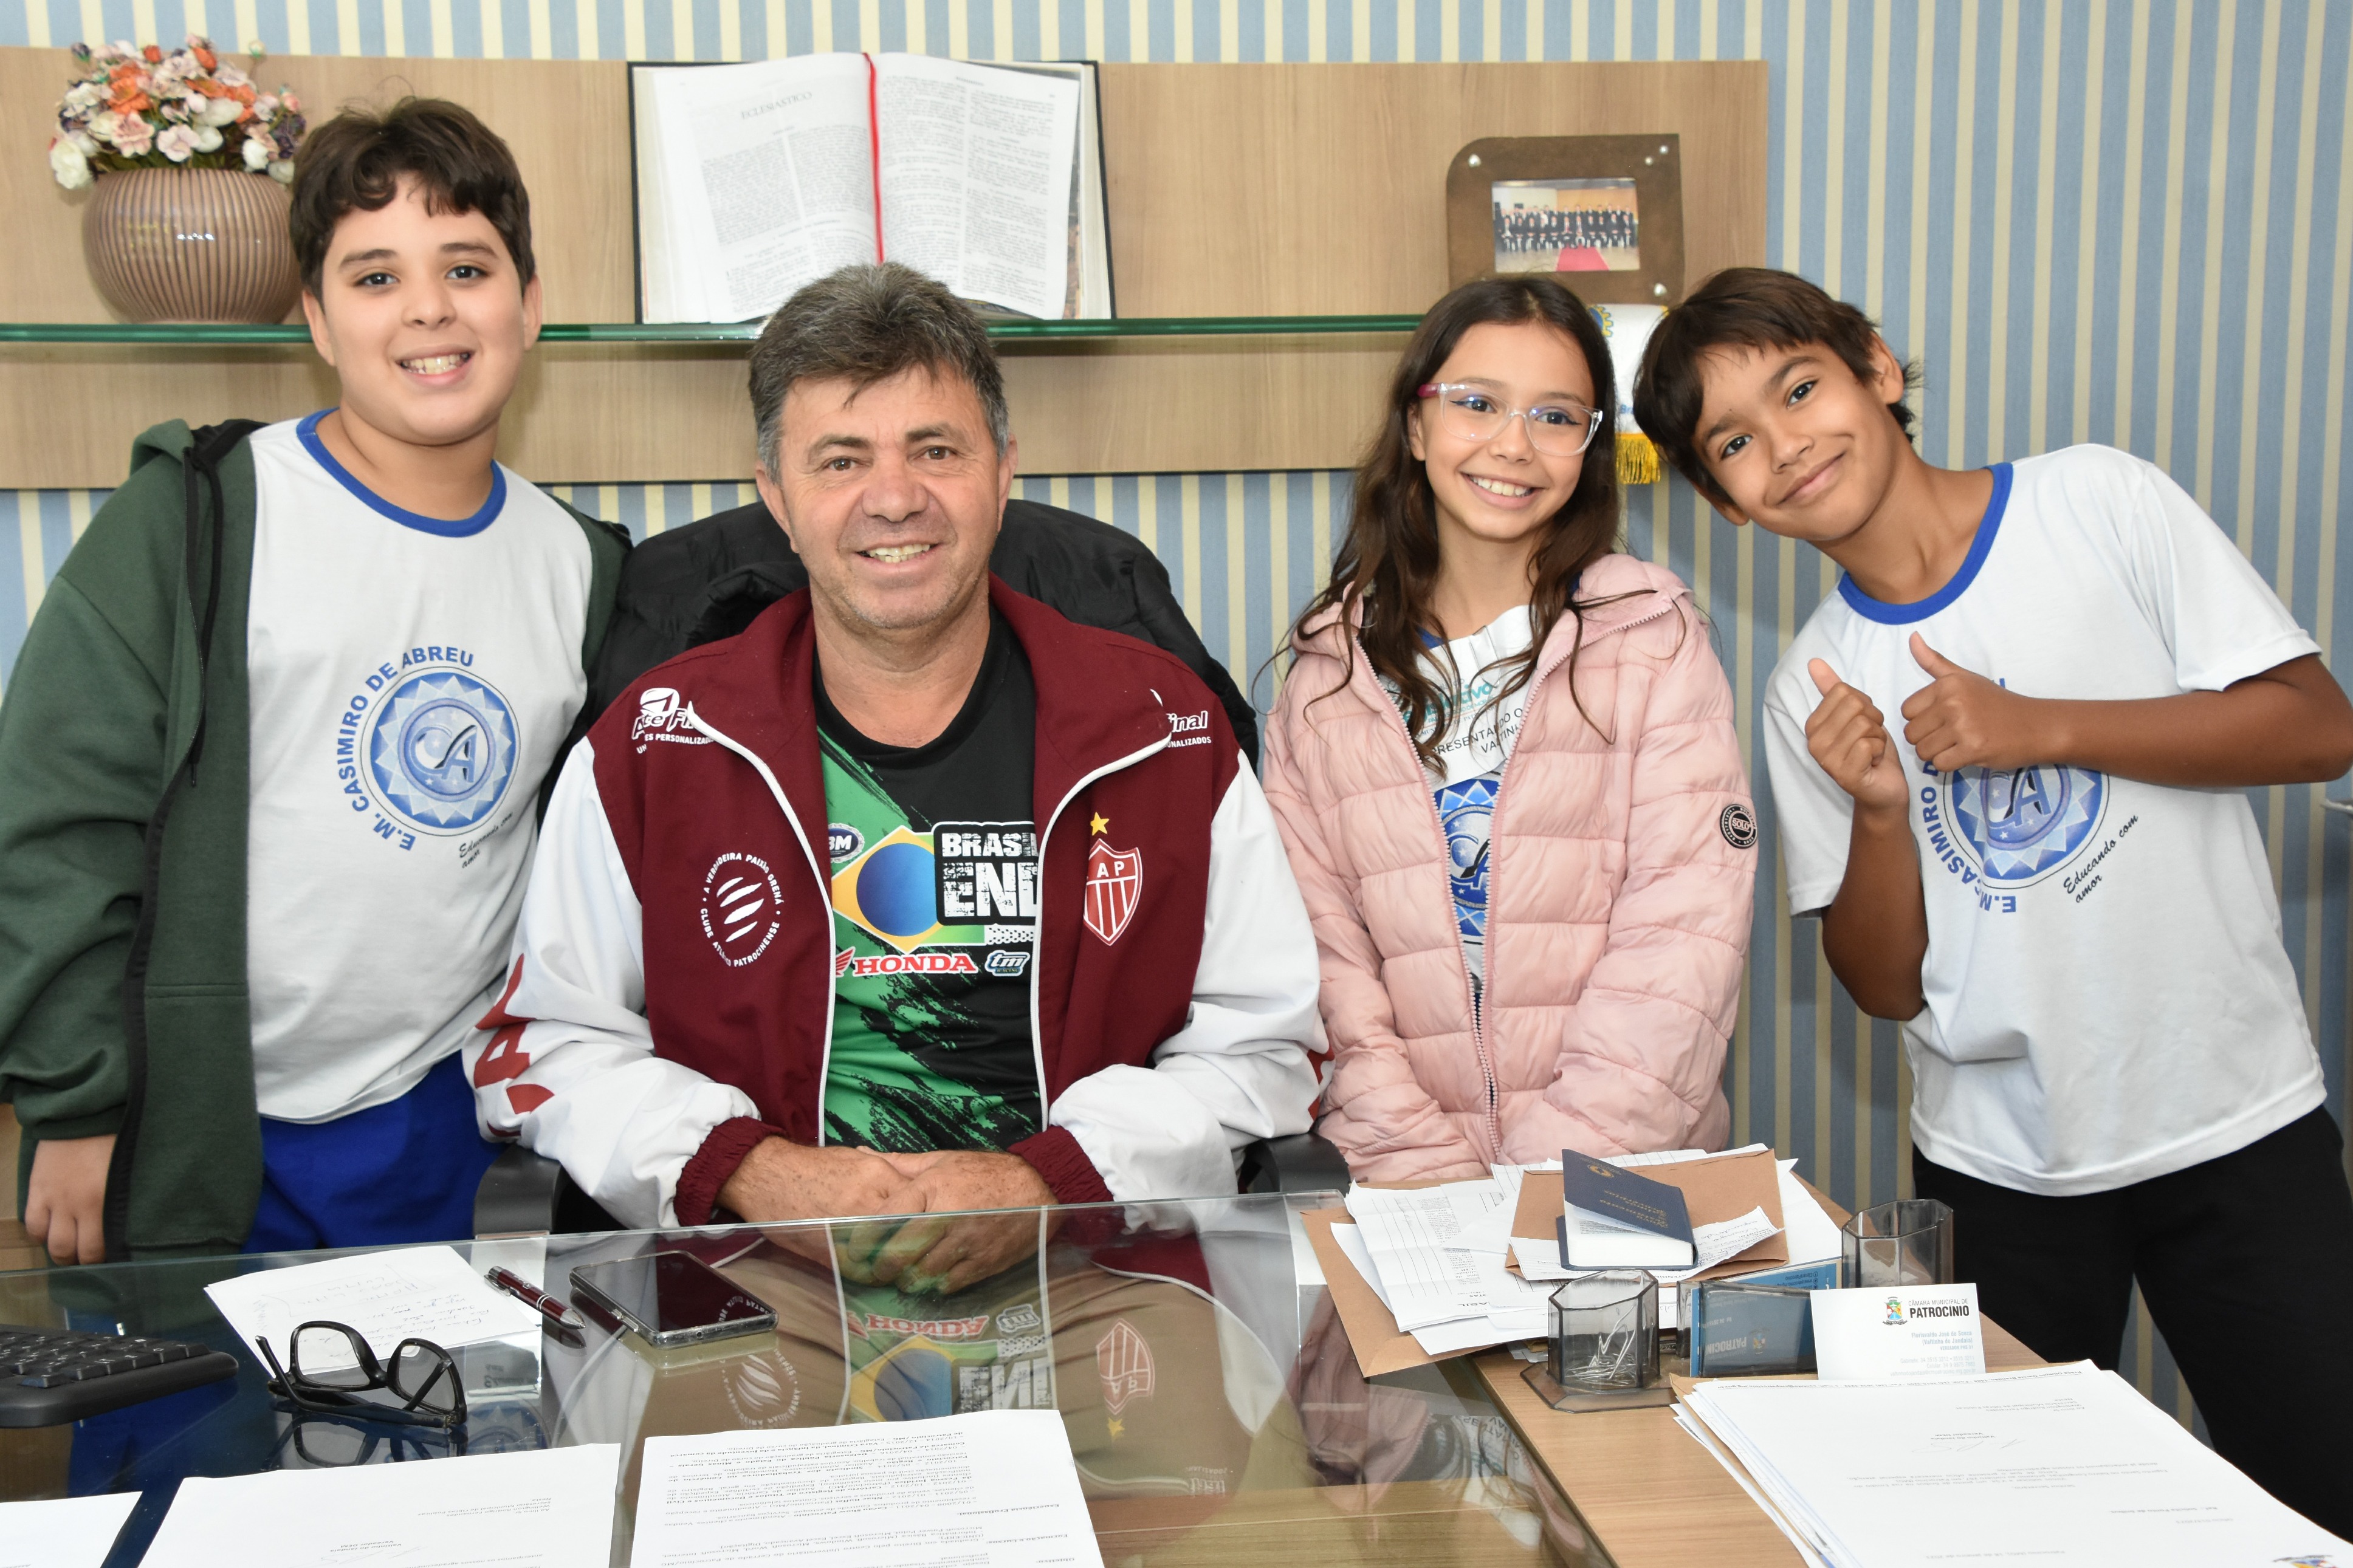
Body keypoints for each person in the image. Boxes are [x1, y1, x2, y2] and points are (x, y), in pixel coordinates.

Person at [1632, 264, 2353, 1535]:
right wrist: (1878, 812)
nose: (1784, 447)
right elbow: (1881, 986)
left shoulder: (2097, 500)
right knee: (2014, 1528)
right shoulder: (1809, 686)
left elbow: (2315, 727)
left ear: (1878, 367)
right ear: (1722, 503)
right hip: (1999, 1169)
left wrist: (2041, 725)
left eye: (1799, 389)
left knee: (2321, 1489)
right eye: (1733, 443)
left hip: (2236, 1120)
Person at [466, 263, 1323, 1288]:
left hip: (1099, 1272)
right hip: (756, 1287)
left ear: (1003, 471)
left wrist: (1057, 1179)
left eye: (936, 450)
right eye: (841, 460)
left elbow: (1270, 1051)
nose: (894, 498)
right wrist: (746, 1168)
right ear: (777, 498)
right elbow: (542, 1046)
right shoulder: (655, 746)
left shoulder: (1165, 733)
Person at [0, 98, 630, 1262]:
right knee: (184, 1390)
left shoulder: (582, 567)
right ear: (319, 321)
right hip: (192, 1124)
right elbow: (54, 823)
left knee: (459, 1387)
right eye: (375, 276)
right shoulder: (197, 517)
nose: (429, 308)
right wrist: (79, 1097)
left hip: (447, 1125)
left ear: (530, 304)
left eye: (467, 267)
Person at [1258, 275, 1756, 1182]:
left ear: (1589, 447)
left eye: (1556, 416)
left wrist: (1552, 1180)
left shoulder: (1652, 641)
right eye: (1477, 403)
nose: (1514, 445)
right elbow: (1323, 958)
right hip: (1404, 1182)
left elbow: (1684, 941)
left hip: (1617, 1178)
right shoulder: (1328, 680)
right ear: (1416, 426)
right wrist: (1421, 1165)